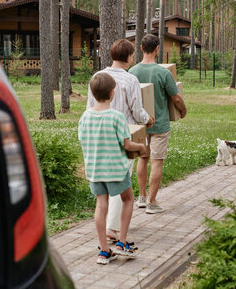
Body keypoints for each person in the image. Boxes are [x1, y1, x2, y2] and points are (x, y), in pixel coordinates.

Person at [87, 39, 154, 242]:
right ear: (128, 57)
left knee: (104, 186)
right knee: (121, 178)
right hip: (125, 134)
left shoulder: (97, 76)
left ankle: (106, 224)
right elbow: (135, 108)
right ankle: (112, 227)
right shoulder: (129, 79)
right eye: (132, 55)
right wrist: (148, 119)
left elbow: (90, 106)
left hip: (100, 134)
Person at [78, 73, 149, 265]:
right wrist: (141, 147)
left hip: (95, 170)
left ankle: (103, 250)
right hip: (116, 170)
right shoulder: (117, 117)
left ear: (92, 93)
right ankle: (122, 242)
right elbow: (127, 145)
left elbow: (83, 140)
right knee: (128, 198)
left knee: (101, 206)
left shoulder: (85, 117)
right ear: (112, 93)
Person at [129, 34, 187, 214]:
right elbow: (176, 97)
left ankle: (142, 198)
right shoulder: (164, 73)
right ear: (157, 49)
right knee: (157, 162)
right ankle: (152, 204)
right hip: (160, 125)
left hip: (140, 124)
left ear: (140, 48)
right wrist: (183, 110)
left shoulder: (132, 72)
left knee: (142, 159)